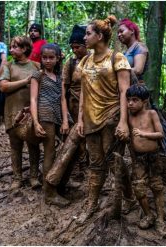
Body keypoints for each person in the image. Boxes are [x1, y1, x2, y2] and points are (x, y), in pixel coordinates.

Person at [76, 15, 133, 223]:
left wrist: (123, 122)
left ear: (99, 36)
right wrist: (80, 119)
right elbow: (83, 91)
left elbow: (125, 92)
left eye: (88, 33)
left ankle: (126, 198)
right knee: (95, 164)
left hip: (111, 118)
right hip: (90, 121)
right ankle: (91, 205)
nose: (84, 37)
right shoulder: (85, 60)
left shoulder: (117, 58)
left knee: (114, 162)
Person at [0, 36, 41, 191]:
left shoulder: (36, 66)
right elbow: (3, 86)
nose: (11, 50)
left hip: (32, 112)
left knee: (33, 144)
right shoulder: (8, 66)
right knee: (15, 145)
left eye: (14, 47)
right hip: (12, 111)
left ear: (24, 49)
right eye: (10, 47)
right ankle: (17, 178)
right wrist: (25, 82)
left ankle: (34, 177)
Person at [126, 84, 166, 237]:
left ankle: (161, 220)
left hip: (154, 156)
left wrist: (144, 134)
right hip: (138, 159)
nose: (130, 103)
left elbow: (160, 134)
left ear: (144, 101)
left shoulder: (152, 114)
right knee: (138, 188)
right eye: (128, 100)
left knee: (157, 187)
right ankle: (148, 214)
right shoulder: (128, 116)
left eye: (134, 100)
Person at [30, 43, 70, 207]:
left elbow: (62, 99)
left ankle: (57, 183)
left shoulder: (60, 78)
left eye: (51, 57)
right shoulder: (37, 75)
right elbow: (33, 99)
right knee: (49, 153)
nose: (47, 60)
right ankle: (49, 193)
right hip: (44, 116)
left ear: (58, 58)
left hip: (57, 117)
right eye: (44, 57)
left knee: (59, 151)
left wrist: (66, 120)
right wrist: (35, 121)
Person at [60, 24, 89, 180]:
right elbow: (63, 92)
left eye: (78, 47)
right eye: (72, 48)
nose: (75, 50)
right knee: (77, 136)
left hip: (92, 106)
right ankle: (79, 168)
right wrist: (65, 117)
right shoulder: (70, 63)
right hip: (73, 105)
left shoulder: (94, 60)